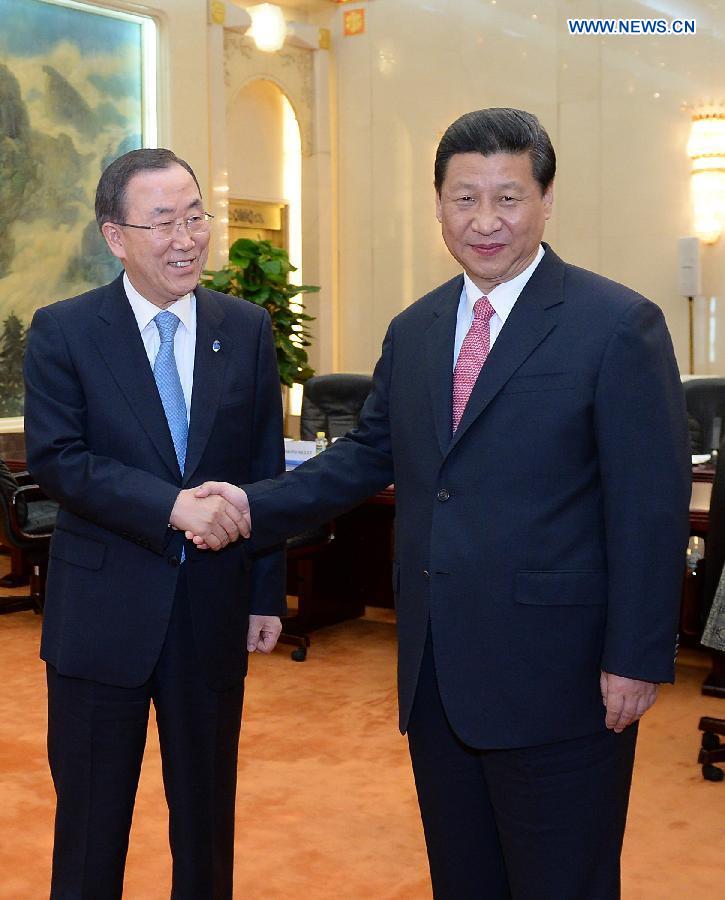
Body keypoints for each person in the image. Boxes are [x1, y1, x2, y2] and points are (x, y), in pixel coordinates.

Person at [196, 109, 692, 899]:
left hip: (559, 674)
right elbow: (367, 455)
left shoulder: (615, 325)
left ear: (546, 198)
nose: (484, 222)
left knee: (564, 879)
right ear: (437, 204)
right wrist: (252, 506)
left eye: (507, 198)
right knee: (462, 879)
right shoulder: (416, 328)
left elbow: (650, 508)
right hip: (435, 673)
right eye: (464, 199)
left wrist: (635, 656)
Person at [23, 148, 285, 899]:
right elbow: (60, 460)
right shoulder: (65, 331)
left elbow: (263, 468)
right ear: (116, 235)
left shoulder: (246, 328)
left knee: (205, 824)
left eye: (196, 216)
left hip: (210, 610)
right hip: (100, 619)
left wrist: (265, 591)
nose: (187, 238)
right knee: (90, 827)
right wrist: (168, 505)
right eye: (163, 221)